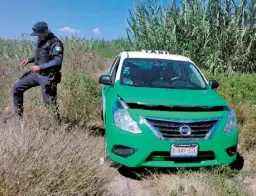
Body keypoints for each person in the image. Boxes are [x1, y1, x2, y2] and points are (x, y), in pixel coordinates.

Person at [12, 21, 64, 120]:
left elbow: (58, 61)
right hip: (37, 74)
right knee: (16, 88)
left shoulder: (55, 43)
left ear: (45, 31)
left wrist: (40, 67)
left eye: (39, 34)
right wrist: (29, 60)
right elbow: (40, 55)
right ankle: (18, 119)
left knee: (49, 102)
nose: (37, 36)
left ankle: (57, 125)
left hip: (48, 76)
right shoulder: (41, 41)